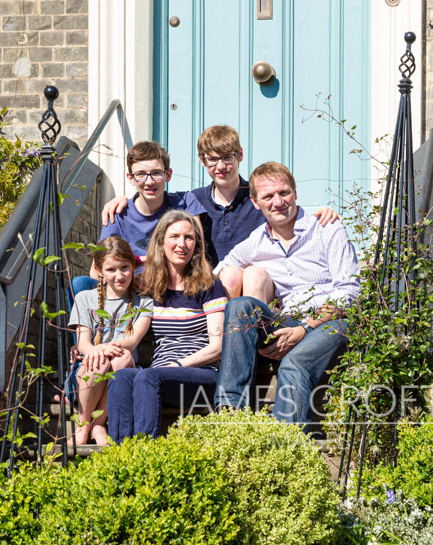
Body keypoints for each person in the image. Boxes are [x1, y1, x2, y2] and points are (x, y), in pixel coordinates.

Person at [101, 126, 340, 296]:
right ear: (203, 162)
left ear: (240, 156)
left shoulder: (259, 197)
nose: (221, 166)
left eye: (227, 158)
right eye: (212, 160)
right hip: (212, 281)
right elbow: (153, 193)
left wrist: (324, 213)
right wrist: (122, 199)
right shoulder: (193, 200)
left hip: (255, 283)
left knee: (240, 274)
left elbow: (285, 210)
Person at [214, 162, 359, 430]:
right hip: (287, 321)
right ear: (256, 203)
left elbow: (349, 293)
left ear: (295, 193)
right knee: (241, 305)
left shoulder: (326, 228)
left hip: (331, 323)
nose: (278, 202)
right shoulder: (256, 241)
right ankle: (230, 415)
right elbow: (219, 272)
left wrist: (305, 328)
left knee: (293, 365)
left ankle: (285, 448)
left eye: (284, 193)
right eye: (268, 196)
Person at [106, 209, 227, 442]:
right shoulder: (150, 286)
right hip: (157, 376)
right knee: (120, 377)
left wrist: (177, 365)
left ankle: (145, 454)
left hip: (201, 376)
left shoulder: (209, 285)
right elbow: (108, 277)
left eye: (189, 237)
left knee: (146, 377)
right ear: (161, 242)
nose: (182, 244)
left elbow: (218, 346)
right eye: (174, 237)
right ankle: (119, 458)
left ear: (197, 245)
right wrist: (90, 345)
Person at [69, 140, 202, 304]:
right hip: (128, 288)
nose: (149, 181)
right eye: (141, 174)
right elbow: (96, 270)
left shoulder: (184, 202)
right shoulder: (118, 214)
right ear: (130, 178)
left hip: (171, 284)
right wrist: (130, 278)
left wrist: (152, 272)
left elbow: (196, 248)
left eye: (156, 173)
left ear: (168, 175)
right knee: (80, 284)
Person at [68, 236, 153, 445]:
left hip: (123, 365)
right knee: (98, 361)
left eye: (124, 268)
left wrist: (103, 348)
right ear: (99, 271)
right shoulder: (84, 299)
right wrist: (96, 351)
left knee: (121, 358)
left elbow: (132, 341)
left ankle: (99, 422)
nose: (119, 276)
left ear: (133, 266)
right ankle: (84, 421)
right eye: (111, 270)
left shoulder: (144, 302)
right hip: (88, 368)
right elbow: (83, 343)